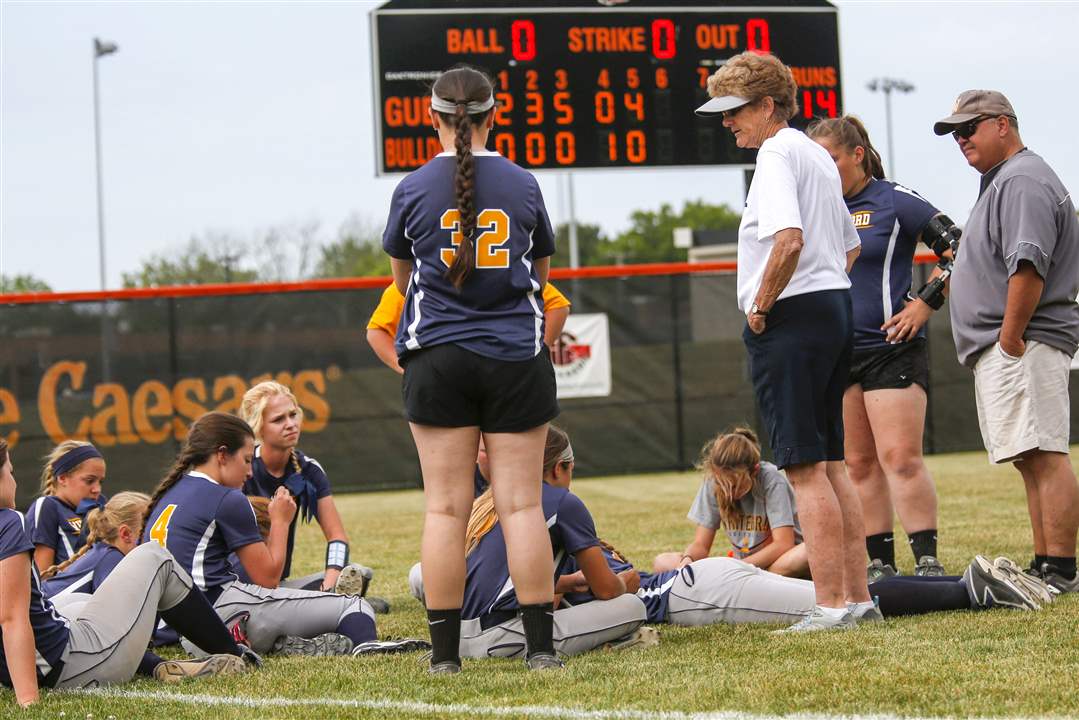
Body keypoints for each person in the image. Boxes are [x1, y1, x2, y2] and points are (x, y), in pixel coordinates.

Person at [381, 65, 562, 673]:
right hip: (515, 356)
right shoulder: (524, 183)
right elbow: (538, 276)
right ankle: (539, 650)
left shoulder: (410, 188)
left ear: (431, 118)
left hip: (438, 359)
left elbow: (404, 285)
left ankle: (444, 658)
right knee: (521, 506)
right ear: (493, 114)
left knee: (445, 509)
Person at [695, 51, 868, 631]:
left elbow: (788, 241)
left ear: (768, 105)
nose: (727, 123)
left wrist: (761, 308)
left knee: (802, 468)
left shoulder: (774, 153)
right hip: (832, 307)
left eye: (736, 110)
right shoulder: (816, 154)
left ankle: (831, 605)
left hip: (792, 317)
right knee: (833, 464)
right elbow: (850, 247)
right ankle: (858, 598)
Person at [934, 89, 1079, 594]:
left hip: (1027, 339)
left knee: (1045, 453)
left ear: (1003, 124)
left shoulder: (1021, 180)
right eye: (955, 133)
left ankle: (1061, 568)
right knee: (1029, 456)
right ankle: (1045, 564)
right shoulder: (1005, 181)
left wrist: (1011, 337)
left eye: (969, 128)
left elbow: (1028, 263)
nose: (961, 139)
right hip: (1014, 340)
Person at [807, 115, 960, 580]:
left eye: (831, 158)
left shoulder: (895, 201)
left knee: (900, 458)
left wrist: (923, 303)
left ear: (856, 154)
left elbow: (960, 246)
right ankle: (880, 564)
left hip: (892, 347)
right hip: (838, 353)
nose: (824, 169)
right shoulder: (815, 208)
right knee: (857, 463)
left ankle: (928, 561)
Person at [140, 411, 427, 657]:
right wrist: (280, 521)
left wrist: (330, 577)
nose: (250, 471)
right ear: (223, 454)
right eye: (245, 459)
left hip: (177, 625)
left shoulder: (170, 492)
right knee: (356, 607)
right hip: (219, 616)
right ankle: (365, 644)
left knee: (307, 594)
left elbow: (335, 536)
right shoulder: (227, 497)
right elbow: (267, 579)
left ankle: (293, 640)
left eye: (293, 414)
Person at [0, 438, 260, 708]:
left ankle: (159, 667)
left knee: (78, 604)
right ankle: (232, 650)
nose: (14, 481)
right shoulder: (9, 521)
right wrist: (28, 701)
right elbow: (12, 620)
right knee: (155, 556)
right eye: (10, 472)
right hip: (64, 669)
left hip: (37, 664)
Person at [407, 426, 649, 656]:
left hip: (454, 635)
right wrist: (623, 582)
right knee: (632, 606)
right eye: (570, 469)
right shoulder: (564, 502)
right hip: (500, 638)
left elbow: (491, 576)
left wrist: (568, 583)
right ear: (558, 468)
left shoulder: (488, 499)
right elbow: (606, 589)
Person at [240, 381, 376, 603]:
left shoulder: (309, 469)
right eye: (278, 419)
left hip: (277, 584)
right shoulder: (242, 468)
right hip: (237, 584)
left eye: (293, 415)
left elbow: (337, 537)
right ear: (258, 427)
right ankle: (342, 602)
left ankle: (335, 597)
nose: (290, 424)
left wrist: (330, 585)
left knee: (352, 571)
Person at [653, 427, 808, 578]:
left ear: (754, 471)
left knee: (807, 552)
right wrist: (688, 560)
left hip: (777, 563)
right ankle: (740, 581)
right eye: (722, 484)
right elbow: (701, 545)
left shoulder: (771, 480)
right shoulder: (713, 480)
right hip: (744, 566)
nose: (728, 492)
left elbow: (783, 544)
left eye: (735, 486)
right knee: (663, 562)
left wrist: (735, 569)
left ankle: (742, 580)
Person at [367, 280, 572, 375]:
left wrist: (538, 351)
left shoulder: (499, 273)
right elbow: (376, 332)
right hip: (445, 377)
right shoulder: (415, 282)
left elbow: (557, 306)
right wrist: (404, 367)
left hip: (502, 369)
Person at [24, 441, 107, 573]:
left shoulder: (99, 511)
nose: (97, 489)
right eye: (89, 481)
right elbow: (42, 576)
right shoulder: (48, 506)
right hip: (63, 593)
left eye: (100, 482)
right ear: (62, 478)